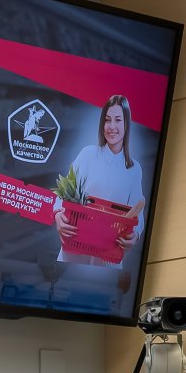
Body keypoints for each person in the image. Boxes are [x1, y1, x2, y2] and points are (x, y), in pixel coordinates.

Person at [53, 94, 147, 271]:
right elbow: (63, 192)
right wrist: (58, 215)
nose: (112, 126)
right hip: (76, 246)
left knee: (100, 285)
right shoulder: (88, 155)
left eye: (118, 120)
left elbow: (138, 211)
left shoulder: (134, 169)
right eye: (107, 120)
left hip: (108, 255)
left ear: (126, 124)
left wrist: (135, 234)